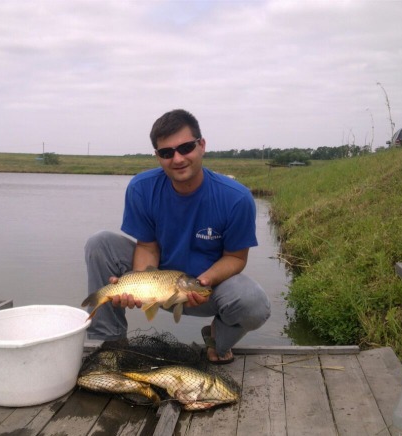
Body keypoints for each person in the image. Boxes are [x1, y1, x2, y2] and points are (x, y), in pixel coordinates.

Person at [85, 109, 271, 364]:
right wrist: (137, 287)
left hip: (205, 290)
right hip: (158, 281)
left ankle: (217, 340)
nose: (178, 158)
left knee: (254, 303)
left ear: (202, 145)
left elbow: (236, 258)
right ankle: (111, 344)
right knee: (100, 243)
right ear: (158, 156)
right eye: (167, 152)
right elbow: (147, 247)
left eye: (185, 147)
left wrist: (202, 282)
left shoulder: (236, 198)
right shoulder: (142, 188)